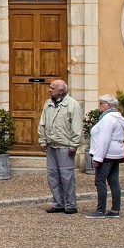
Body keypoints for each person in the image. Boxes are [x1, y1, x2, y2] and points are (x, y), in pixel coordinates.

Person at [37, 79, 84, 214]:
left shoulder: (72, 105)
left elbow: (76, 126)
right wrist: (43, 140)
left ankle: (70, 205)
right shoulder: (48, 104)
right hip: (51, 145)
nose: (49, 90)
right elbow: (43, 123)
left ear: (61, 91)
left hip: (65, 145)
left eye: (53, 88)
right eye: (50, 88)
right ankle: (58, 203)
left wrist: (74, 145)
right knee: (52, 175)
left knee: (67, 176)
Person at [86, 94, 124, 218]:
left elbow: (104, 139)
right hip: (115, 153)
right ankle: (115, 210)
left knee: (100, 181)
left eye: (102, 103)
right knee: (113, 181)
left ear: (109, 105)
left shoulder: (108, 119)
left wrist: (97, 158)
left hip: (107, 154)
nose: (99, 105)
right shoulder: (115, 117)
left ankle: (100, 211)